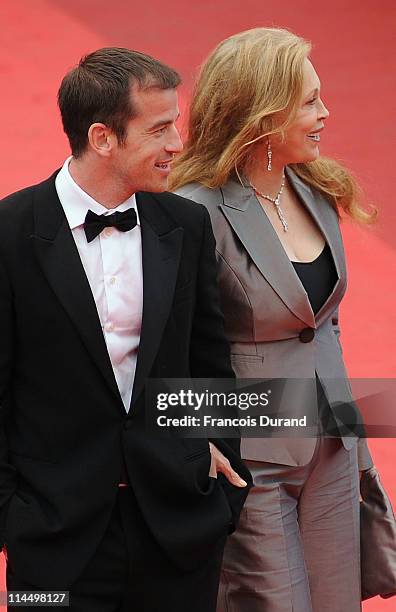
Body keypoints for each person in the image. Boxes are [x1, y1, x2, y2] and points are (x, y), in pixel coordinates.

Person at [0, 47, 252, 612]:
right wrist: (13, 519)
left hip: (177, 531)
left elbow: (209, 363)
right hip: (53, 545)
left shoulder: (185, 225)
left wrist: (218, 475)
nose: (177, 145)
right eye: (160, 129)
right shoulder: (9, 235)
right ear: (102, 137)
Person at [171, 27, 376, 612]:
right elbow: (175, 343)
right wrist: (202, 435)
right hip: (253, 458)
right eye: (309, 102)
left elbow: (324, 323)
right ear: (262, 116)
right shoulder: (194, 210)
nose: (326, 113)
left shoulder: (314, 187)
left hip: (332, 443)